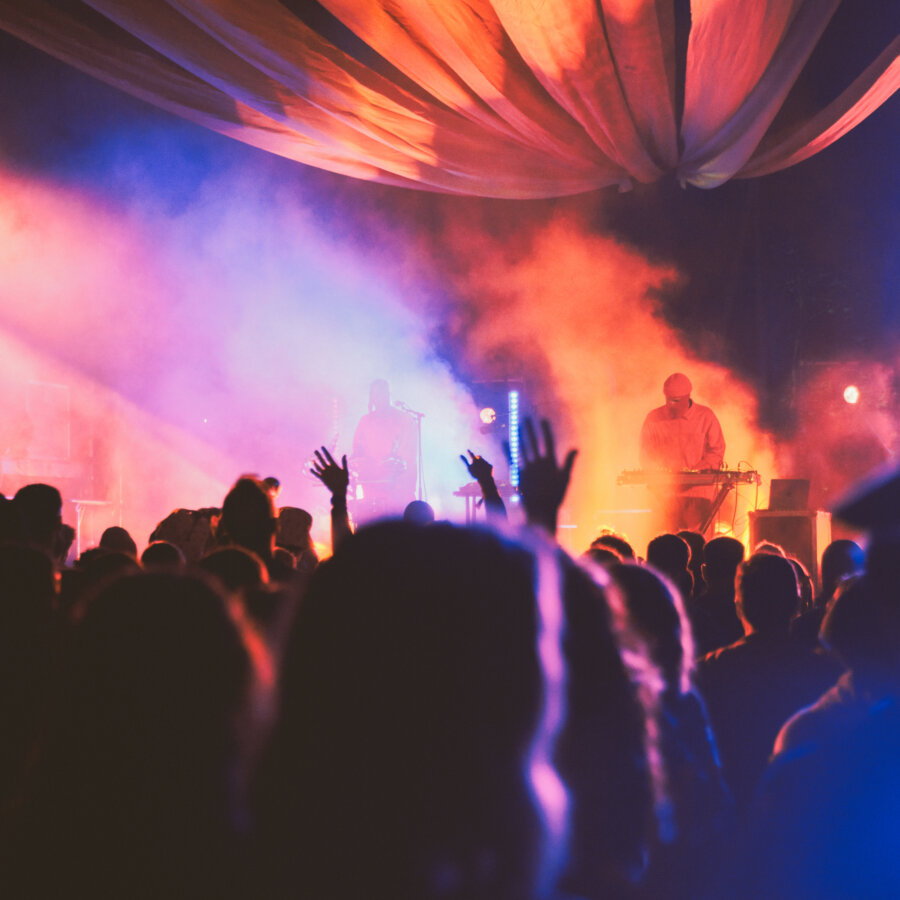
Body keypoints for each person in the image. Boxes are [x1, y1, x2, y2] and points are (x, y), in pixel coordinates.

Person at [640, 373, 725, 532]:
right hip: (666, 492)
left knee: (698, 540)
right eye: (668, 399)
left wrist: (696, 471)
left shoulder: (705, 417)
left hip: (698, 493)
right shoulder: (653, 418)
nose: (671, 404)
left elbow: (717, 450)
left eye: (676, 400)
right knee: (667, 541)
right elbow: (646, 453)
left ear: (688, 396)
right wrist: (657, 472)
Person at [351, 379, 416, 520]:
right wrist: (358, 463)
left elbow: (409, 452)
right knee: (374, 521)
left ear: (388, 395)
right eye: (375, 395)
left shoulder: (403, 418)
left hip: (397, 484)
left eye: (382, 394)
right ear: (371, 398)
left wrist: (394, 466)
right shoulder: (365, 421)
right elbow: (357, 450)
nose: (378, 399)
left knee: (398, 522)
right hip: (372, 483)